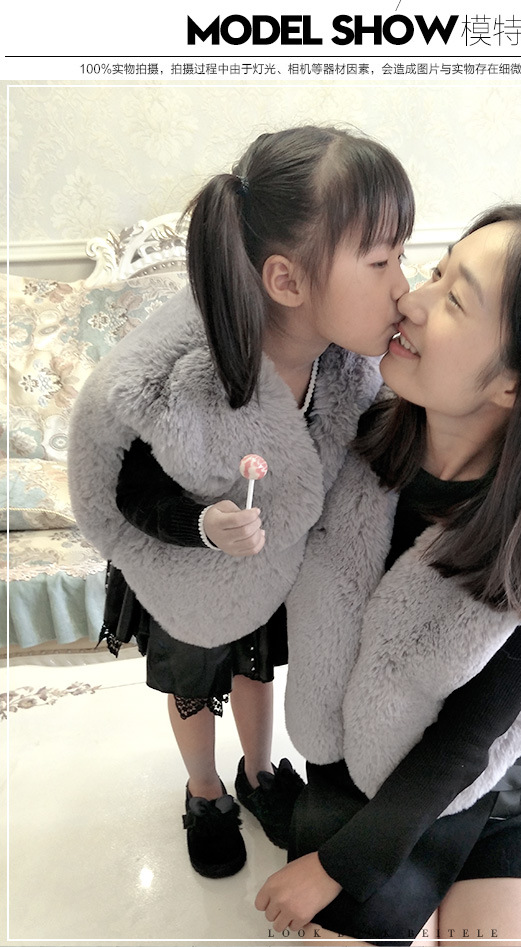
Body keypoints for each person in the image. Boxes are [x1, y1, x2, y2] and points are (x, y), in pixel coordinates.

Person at [255, 205, 521, 945]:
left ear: (517, 383)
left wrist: (340, 866)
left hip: (488, 783)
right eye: (434, 271)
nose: (412, 298)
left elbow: (473, 736)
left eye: (455, 297)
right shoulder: (349, 443)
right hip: (355, 777)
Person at [67, 125, 414, 880]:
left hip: (268, 564)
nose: (403, 285)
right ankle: (205, 791)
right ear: (287, 281)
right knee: (194, 682)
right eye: (381, 260)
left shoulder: (345, 368)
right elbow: (123, 481)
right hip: (184, 569)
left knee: (257, 668)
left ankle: (259, 774)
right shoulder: (188, 375)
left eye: (402, 255)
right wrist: (201, 524)